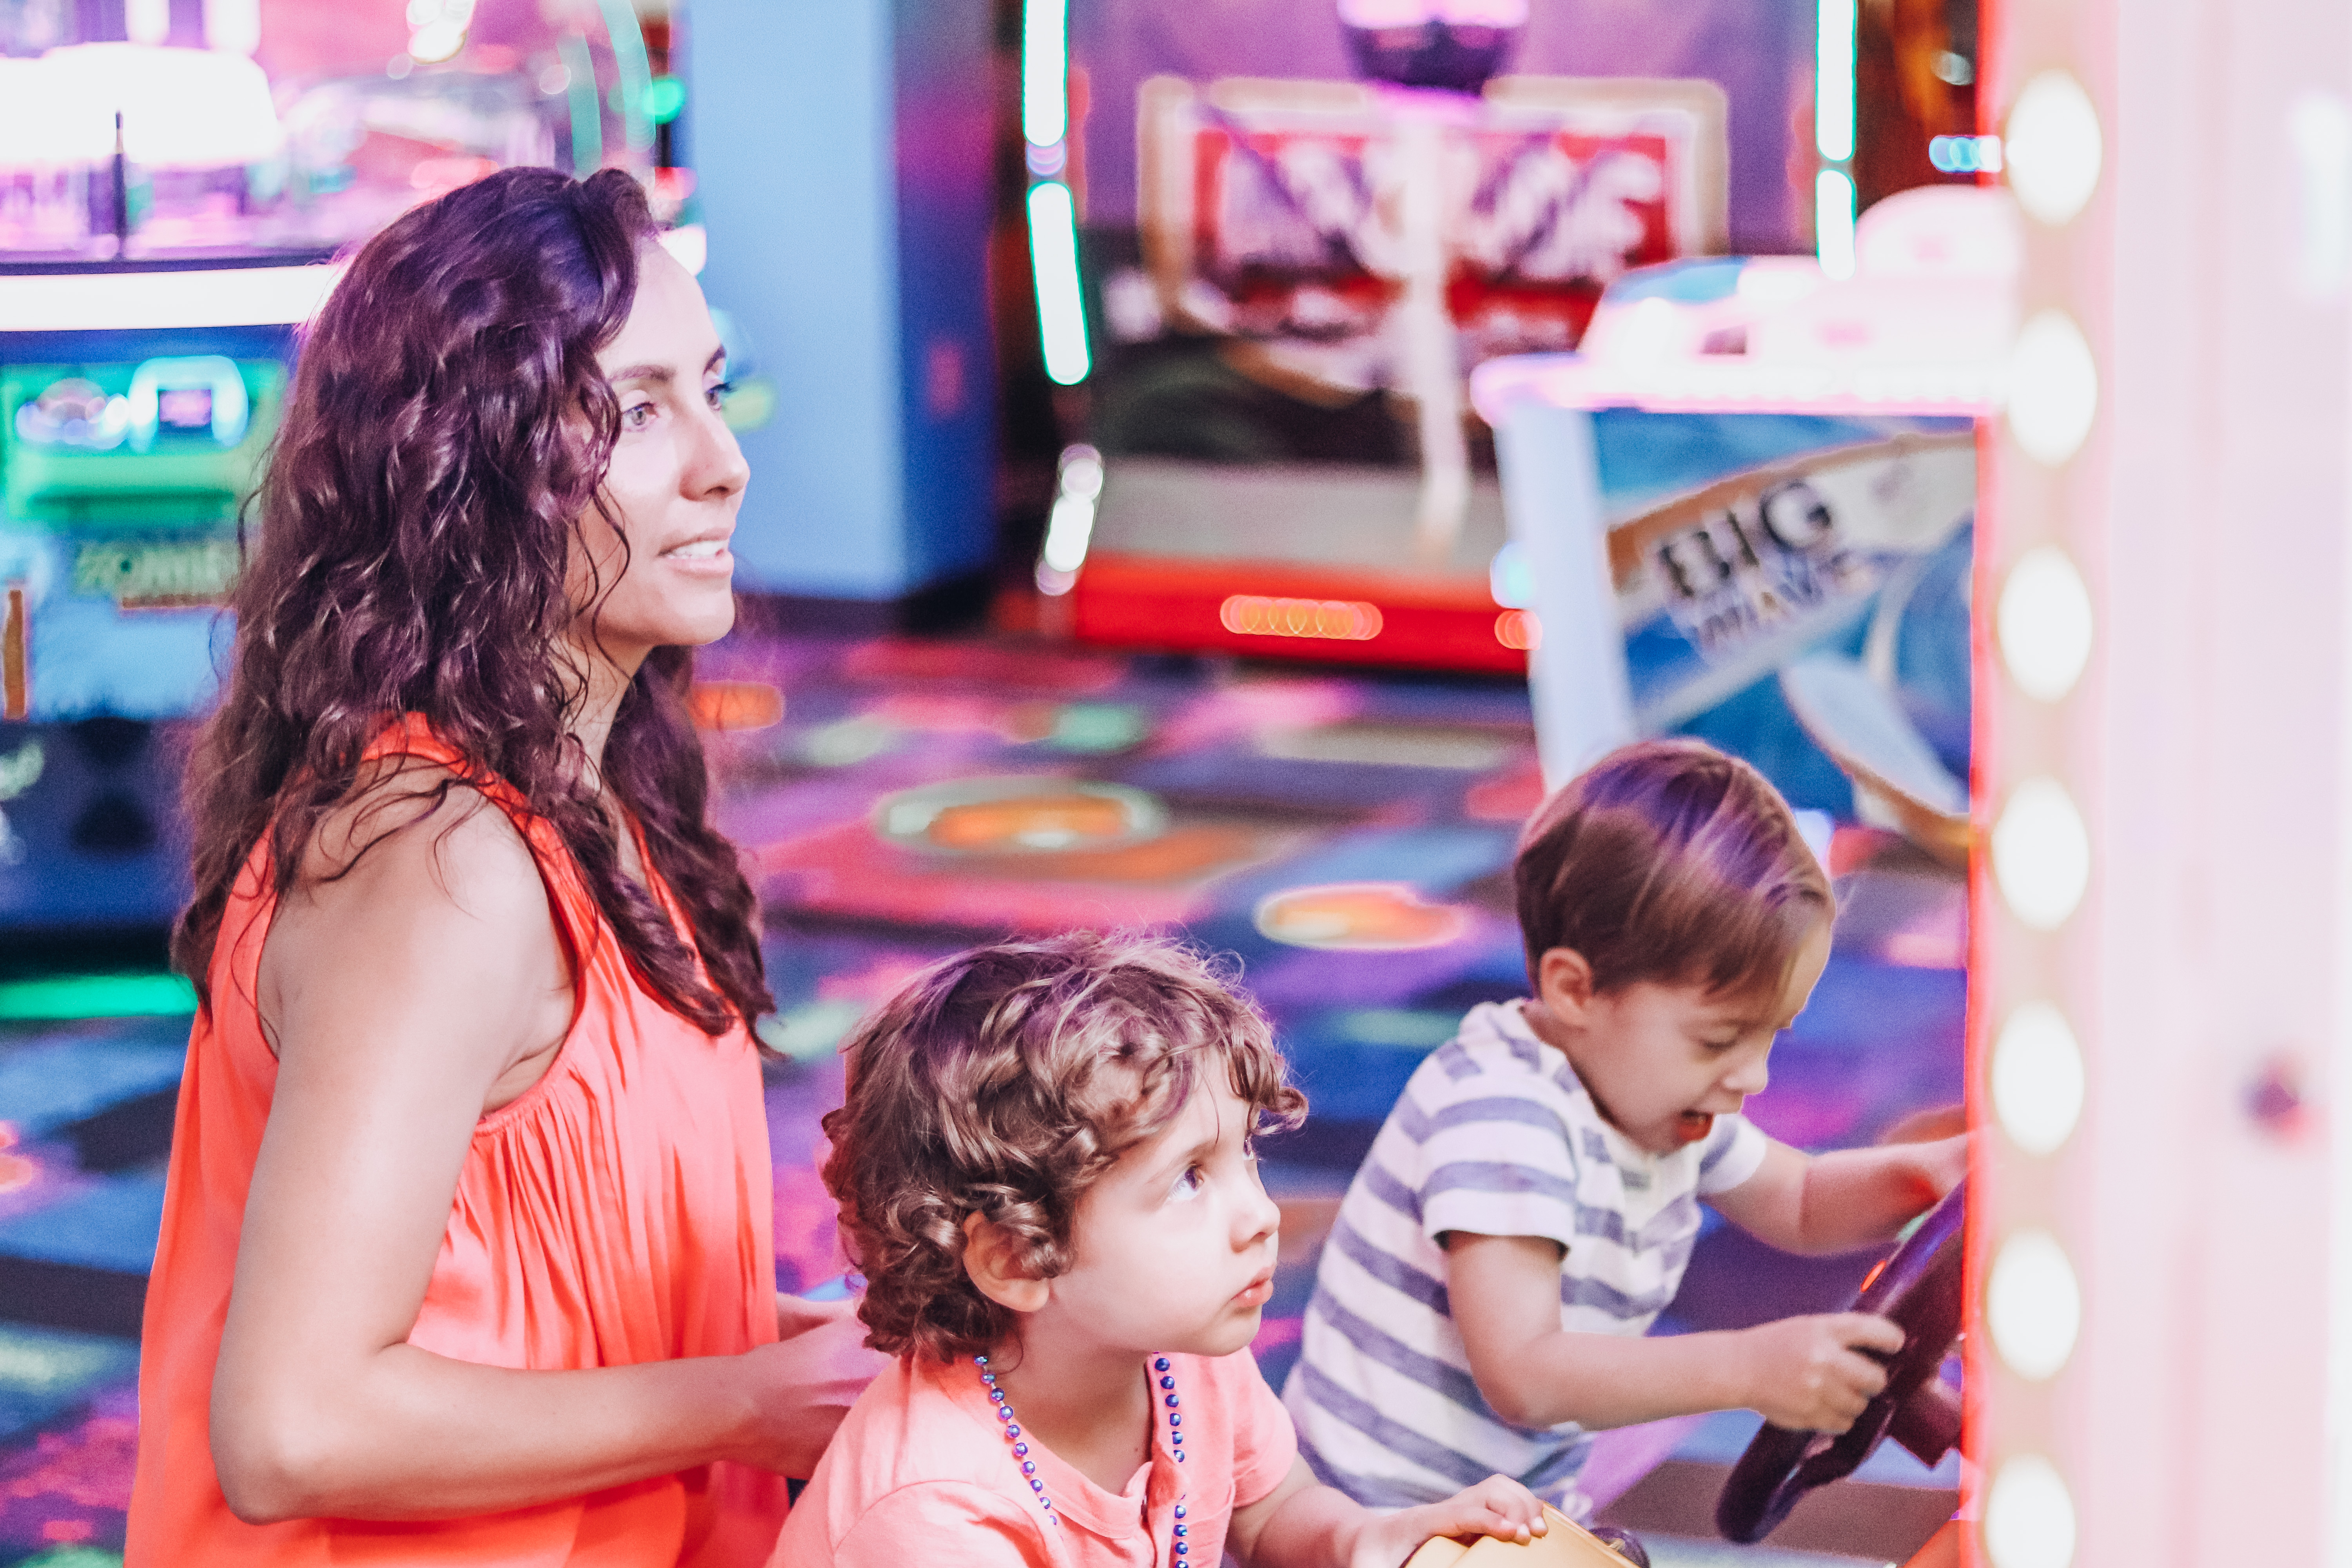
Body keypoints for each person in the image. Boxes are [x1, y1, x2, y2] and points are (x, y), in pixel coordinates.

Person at [126, 166, 879, 1564]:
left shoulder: (592, 799)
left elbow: (537, 1298)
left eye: (711, 388)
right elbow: (296, 1426)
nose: (726, 460)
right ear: (475, 462)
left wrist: (799, 1354)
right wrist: (745, 1400)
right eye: (640, 408)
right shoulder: (440, 861)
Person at [1282, 739, 1967, 1521]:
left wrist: (1929, 1175)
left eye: (1772, 1034)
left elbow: (1802, 1199)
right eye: (1718, 1039)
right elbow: (1527, 1373)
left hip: (1503, 1514)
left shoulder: (1655, 1100)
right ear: (1575, 989)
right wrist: (1747, 1366)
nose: (1753, 1075)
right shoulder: (1504, 1111)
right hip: (1375, 1524)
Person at [775, 935, 1550, 1567]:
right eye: (1187, 1180)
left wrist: (1364, 1539)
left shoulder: (1184, 1353)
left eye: (1245, 1152)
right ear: (1017, 1255)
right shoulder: (937, 1514)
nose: (1261, 1214)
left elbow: (1274, 1511)